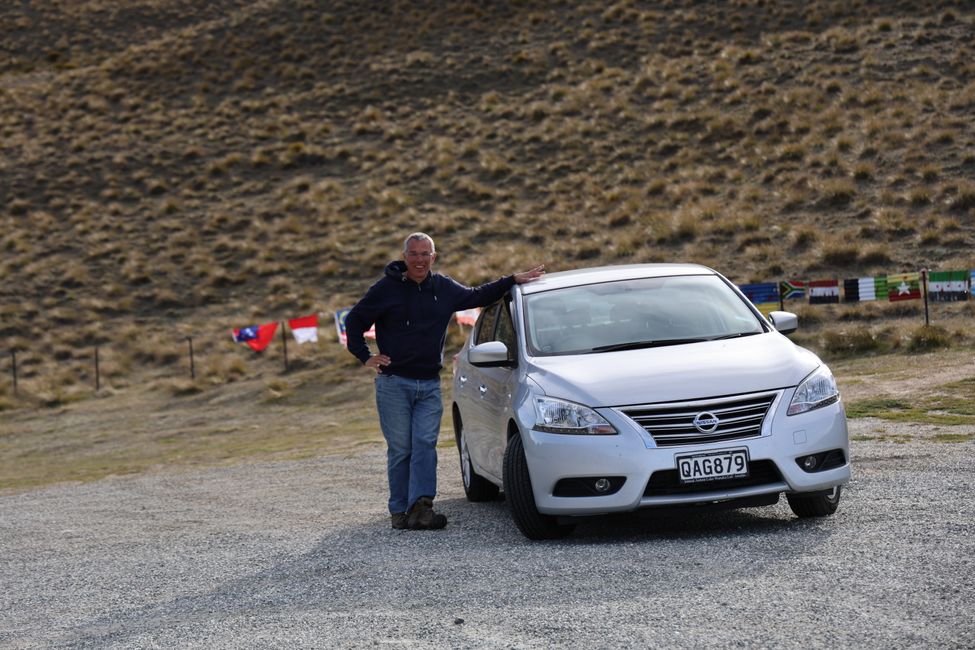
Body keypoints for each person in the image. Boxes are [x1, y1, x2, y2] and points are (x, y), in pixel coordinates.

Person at [345, 232, 544, 530]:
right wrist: (366, 356)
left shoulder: (444, 287)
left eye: (425, 254)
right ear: (404, 257)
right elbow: (354, 321)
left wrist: (512, 280)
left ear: (433, 257)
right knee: (402, 449)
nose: (419, 260)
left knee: (425, 444)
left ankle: (422, 507)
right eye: (414, 254)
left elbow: (478, 295)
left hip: (428, 385)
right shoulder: (385, 289)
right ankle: (400, 511)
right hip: (393, 383)